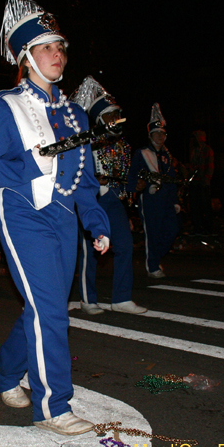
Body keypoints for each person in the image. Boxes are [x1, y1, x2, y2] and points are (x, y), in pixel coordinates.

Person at [0, 0, 110, 436]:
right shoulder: (5, 105)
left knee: (43, 305)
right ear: (26, 56)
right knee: (50, 308)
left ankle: (4, 374)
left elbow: (83, 179)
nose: (57, 54)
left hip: (64, 218)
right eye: (47, 47)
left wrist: (96, 222)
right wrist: (30, 164)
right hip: (24, 214)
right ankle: (53, 407)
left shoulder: (76, 116)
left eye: (61, 47)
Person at [70, 76, 146, 315]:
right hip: (91, 200)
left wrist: (133, 188)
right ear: (101, 119)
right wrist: (95, 181)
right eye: (111, 117)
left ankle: (121, 298)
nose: (116, 121)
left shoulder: (123, 145)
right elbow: (77, 170)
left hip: (113, 199)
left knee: (124, 245)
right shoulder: (87, 141)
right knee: (90, 250)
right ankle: (87, 299)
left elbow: (125, 175)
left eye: (118, 116)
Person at [127, 103, 181, 278]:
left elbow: (171, 179)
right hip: (150, 199)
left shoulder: (167, 155)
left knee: (172, 229)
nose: (160, 136)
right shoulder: (141, 153)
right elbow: (132, 175)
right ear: (150, 135)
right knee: (153, 232)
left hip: (166, 199)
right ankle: (152, 265)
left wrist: (175, 201)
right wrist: (138, 184)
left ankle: (156, 257)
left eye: (163, 133)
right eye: (157, 133)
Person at [189, 130, 214, 236]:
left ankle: (207, 228)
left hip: (202, 182)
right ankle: (198, 227)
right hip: (195, 182)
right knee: (195, 206)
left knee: (205, 206)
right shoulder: (195, 150)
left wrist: (206, 179)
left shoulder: (207, 150)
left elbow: (210, 166)